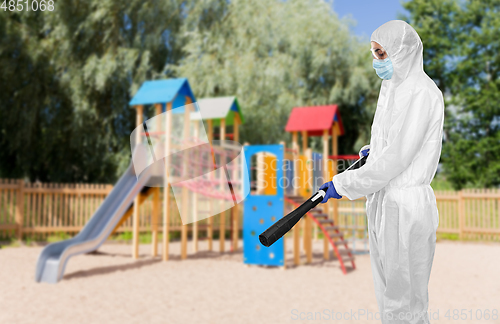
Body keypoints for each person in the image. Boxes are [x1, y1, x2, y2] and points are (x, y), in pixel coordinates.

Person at [320, 20, 444, 324]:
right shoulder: (393, 88)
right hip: (384, 202)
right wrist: (373, 151)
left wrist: (343, 183)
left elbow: (397, 159)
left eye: (382, 53)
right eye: (374, 53)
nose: (377, 61)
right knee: (389, 297)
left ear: (402, 52)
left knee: (405, 302)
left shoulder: (421, 92)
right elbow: (391, 144)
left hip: (405, 206)